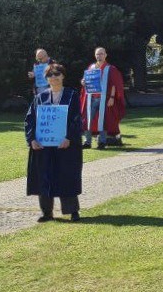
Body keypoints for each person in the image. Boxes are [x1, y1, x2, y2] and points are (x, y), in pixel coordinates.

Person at [25, 63, 83, 222]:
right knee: (44, 176)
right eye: (50, 75)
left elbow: (76, 119)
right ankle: (46, 213)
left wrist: (69, 138)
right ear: (46, 78)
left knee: (66, 176)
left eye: (57, 74)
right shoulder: (40, 97)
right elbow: (30, 120)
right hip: (44, 146)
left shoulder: (72, 95)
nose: (54, 77)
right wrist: (32, 139)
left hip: (66, 144)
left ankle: (73, 211)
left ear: (63, 76)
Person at [79, 47, 126, 149]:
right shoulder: (91, 68)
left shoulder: (110, 69)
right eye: (97, 54)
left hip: (104, 98)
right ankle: (87, 142)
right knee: (88, 120)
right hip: (90, 98)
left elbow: (114, 85)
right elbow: (85, 80)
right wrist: (83, 82)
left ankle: (102, 142)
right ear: (95, 55)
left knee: (103, 120)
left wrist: (112, 97)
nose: (99, 56)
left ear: (105, 55)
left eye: (101, 54)